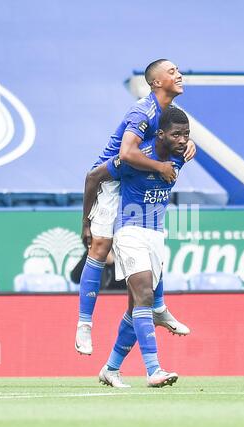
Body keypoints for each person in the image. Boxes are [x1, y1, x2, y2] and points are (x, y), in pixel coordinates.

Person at [76, 59, 196, 355]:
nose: (179, 74)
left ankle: (156, 310)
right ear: (156, 82)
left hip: (135, 178)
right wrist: (161, 166)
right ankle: (84, 324)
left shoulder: (167, 114)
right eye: (171, 71)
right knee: (101, 246)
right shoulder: (143, 110)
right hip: (111, 177)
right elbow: (127, 152)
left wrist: (189, 145)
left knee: (150, 238)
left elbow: (171, 139)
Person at [82, 107, 190, 387]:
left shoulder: (181, 155)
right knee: (143, 295)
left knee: (135, 309)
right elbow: (93, 177)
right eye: (176, 134)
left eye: (186, 135)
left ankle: (111, 368)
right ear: (160, 134)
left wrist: (192, 145)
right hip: (129, 232)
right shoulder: (135, 158)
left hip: (156, 236)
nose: (182, 140)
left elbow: (188, 146)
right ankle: (154, 370)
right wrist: (86, 224)